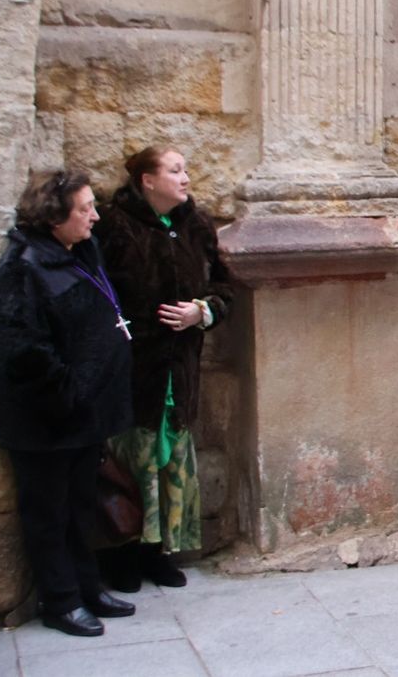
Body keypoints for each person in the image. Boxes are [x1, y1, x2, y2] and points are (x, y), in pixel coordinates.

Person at [0, 170, 135, 636]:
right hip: (47, 420)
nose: (95, 215)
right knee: (48, 513)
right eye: (85, 208)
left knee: (79, 505)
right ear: (55, 216)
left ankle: (87, 587)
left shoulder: (79, 250)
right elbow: (24, 351)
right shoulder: (23, 267)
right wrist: (69, 395)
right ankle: (61, 600)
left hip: (82, 415)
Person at [97, 147, 232, 591]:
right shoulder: (114, 227)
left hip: (181, 372)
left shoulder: (196, 225)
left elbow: (223, 289)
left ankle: (157, 554)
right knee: (132, 462)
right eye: (175, 170)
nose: (186, 178)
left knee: (171, 463)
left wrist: (202, 311)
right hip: (135, 371)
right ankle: (121, 557)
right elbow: (99, 295)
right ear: (147, 181)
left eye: (186, 169)